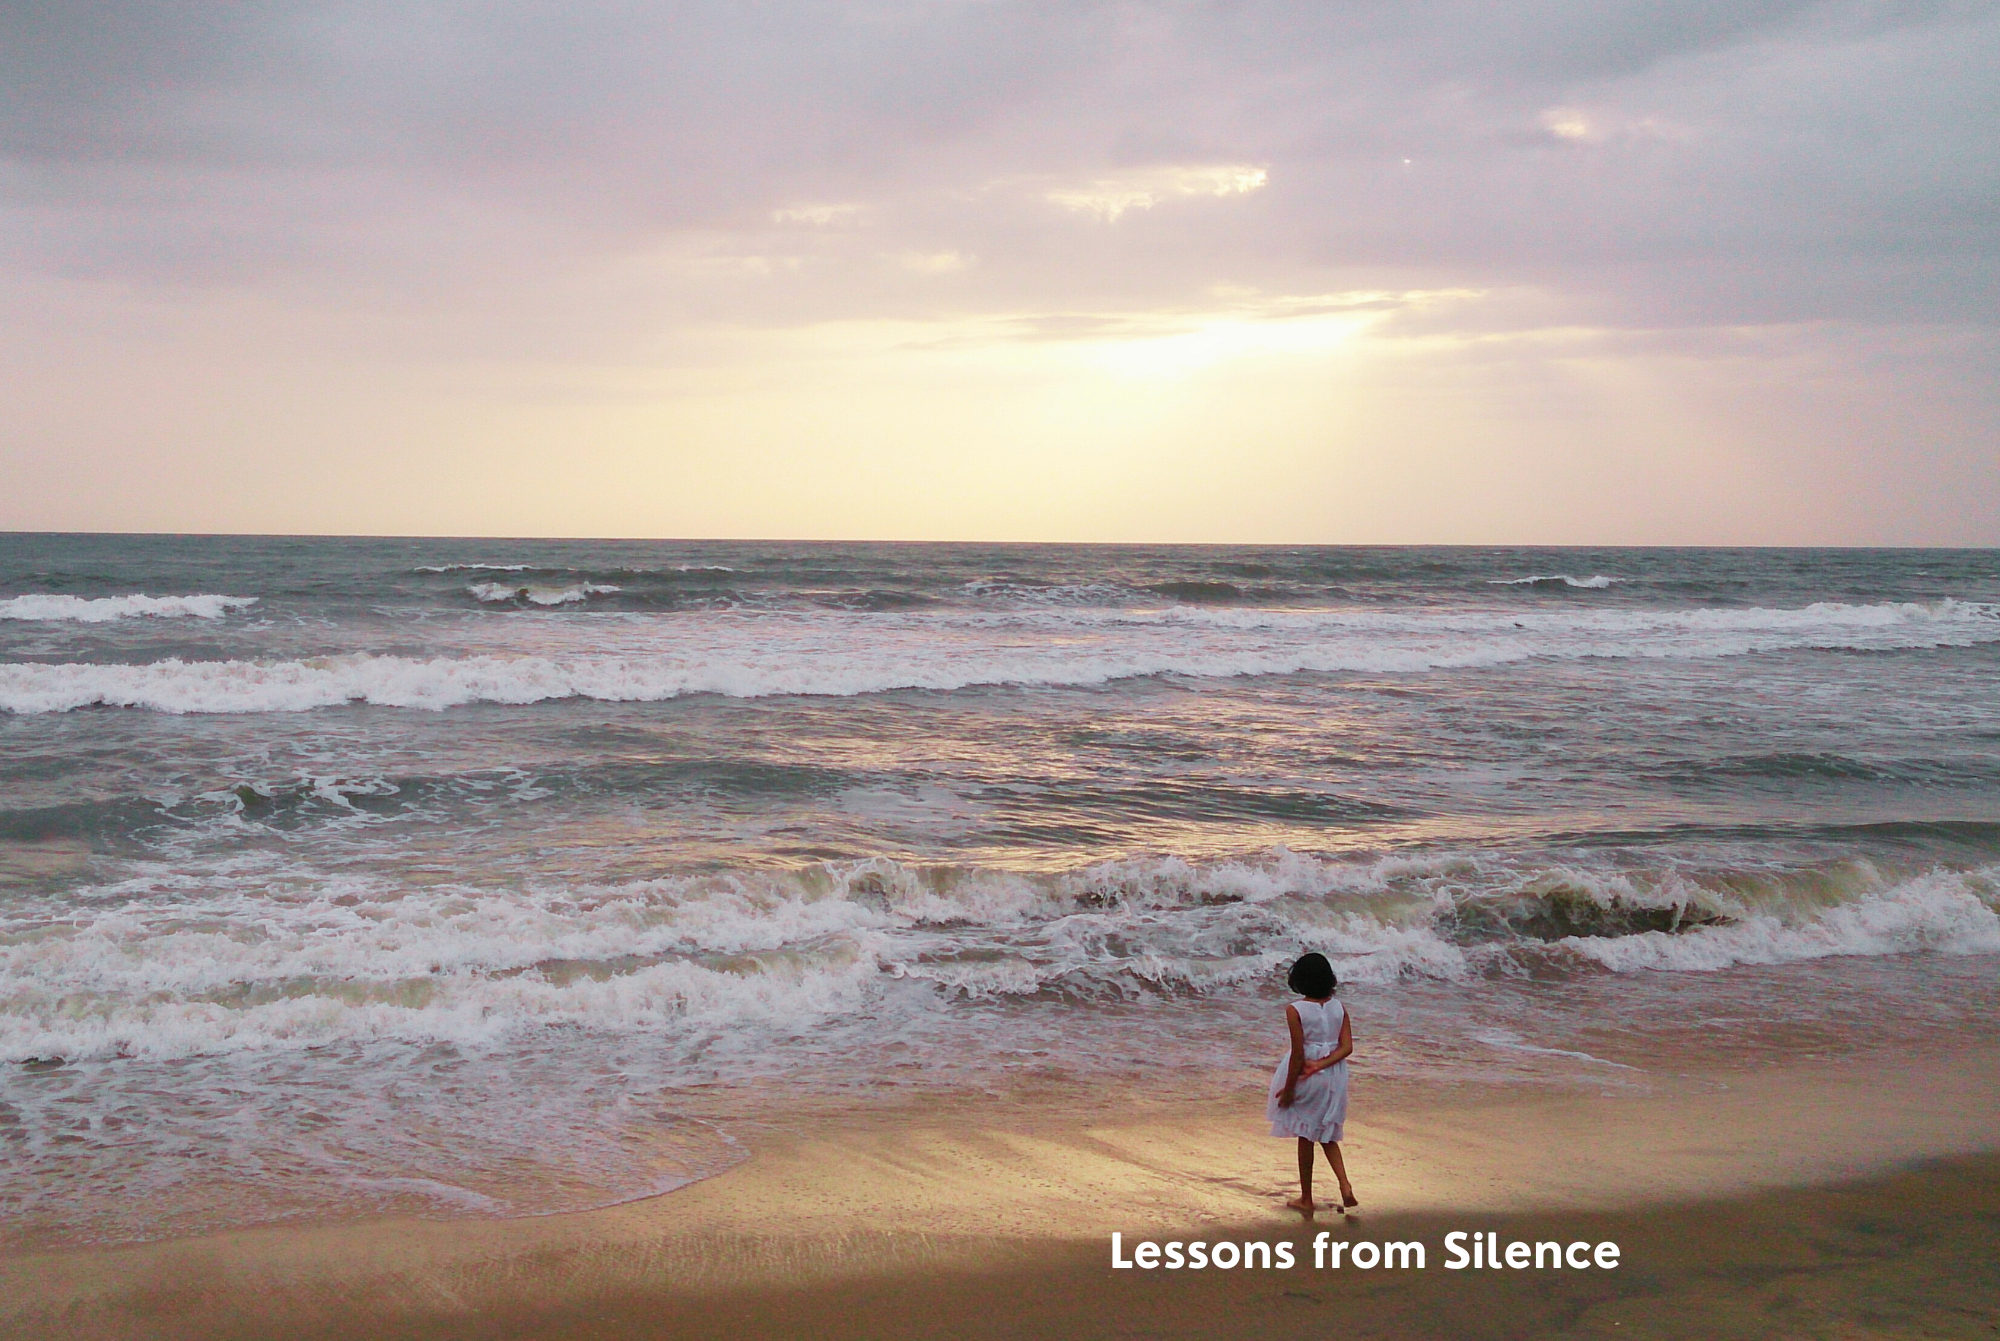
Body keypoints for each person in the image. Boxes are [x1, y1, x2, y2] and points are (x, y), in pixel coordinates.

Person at [1267, 951, 1357, 1213]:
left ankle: (1306, 1197)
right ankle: (1344, 1183)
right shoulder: (1338, 1007)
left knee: (1306, 1135)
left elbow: (1297, 1055)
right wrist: (1324, 1063)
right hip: (1335, 1074)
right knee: (1327, 1133)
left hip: (1308, 1074)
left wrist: (1289, 1089)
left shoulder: (1295, 1010)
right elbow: (1347, 1047)